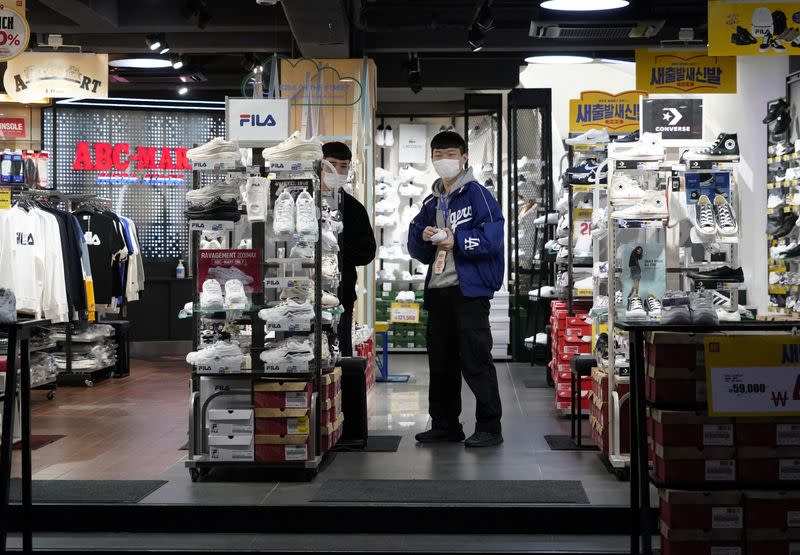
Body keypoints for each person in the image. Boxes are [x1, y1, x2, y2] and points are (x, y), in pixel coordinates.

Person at [407, 131, 505, 448]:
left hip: (470, 292)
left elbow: (493, 239)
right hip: (438, 291)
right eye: (437, 155)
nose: (444, 160)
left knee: (476, 360)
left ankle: (490, 427)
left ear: (464, 156)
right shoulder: (431, 201)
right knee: (441, 363)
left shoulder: (479, 195)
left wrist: (456, 240)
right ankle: (445, 424)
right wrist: (423, 237)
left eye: (450, 153)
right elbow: (417, 248)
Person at [321, 142, 376, 357]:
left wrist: (338, 249)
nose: (337, 171)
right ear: (320, 165)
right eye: (331, 164)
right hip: (303, 293)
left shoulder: (354, 208)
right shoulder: (304, 200)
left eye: (343, 166)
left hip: (341, 294)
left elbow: (368, 252)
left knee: (340, 354)